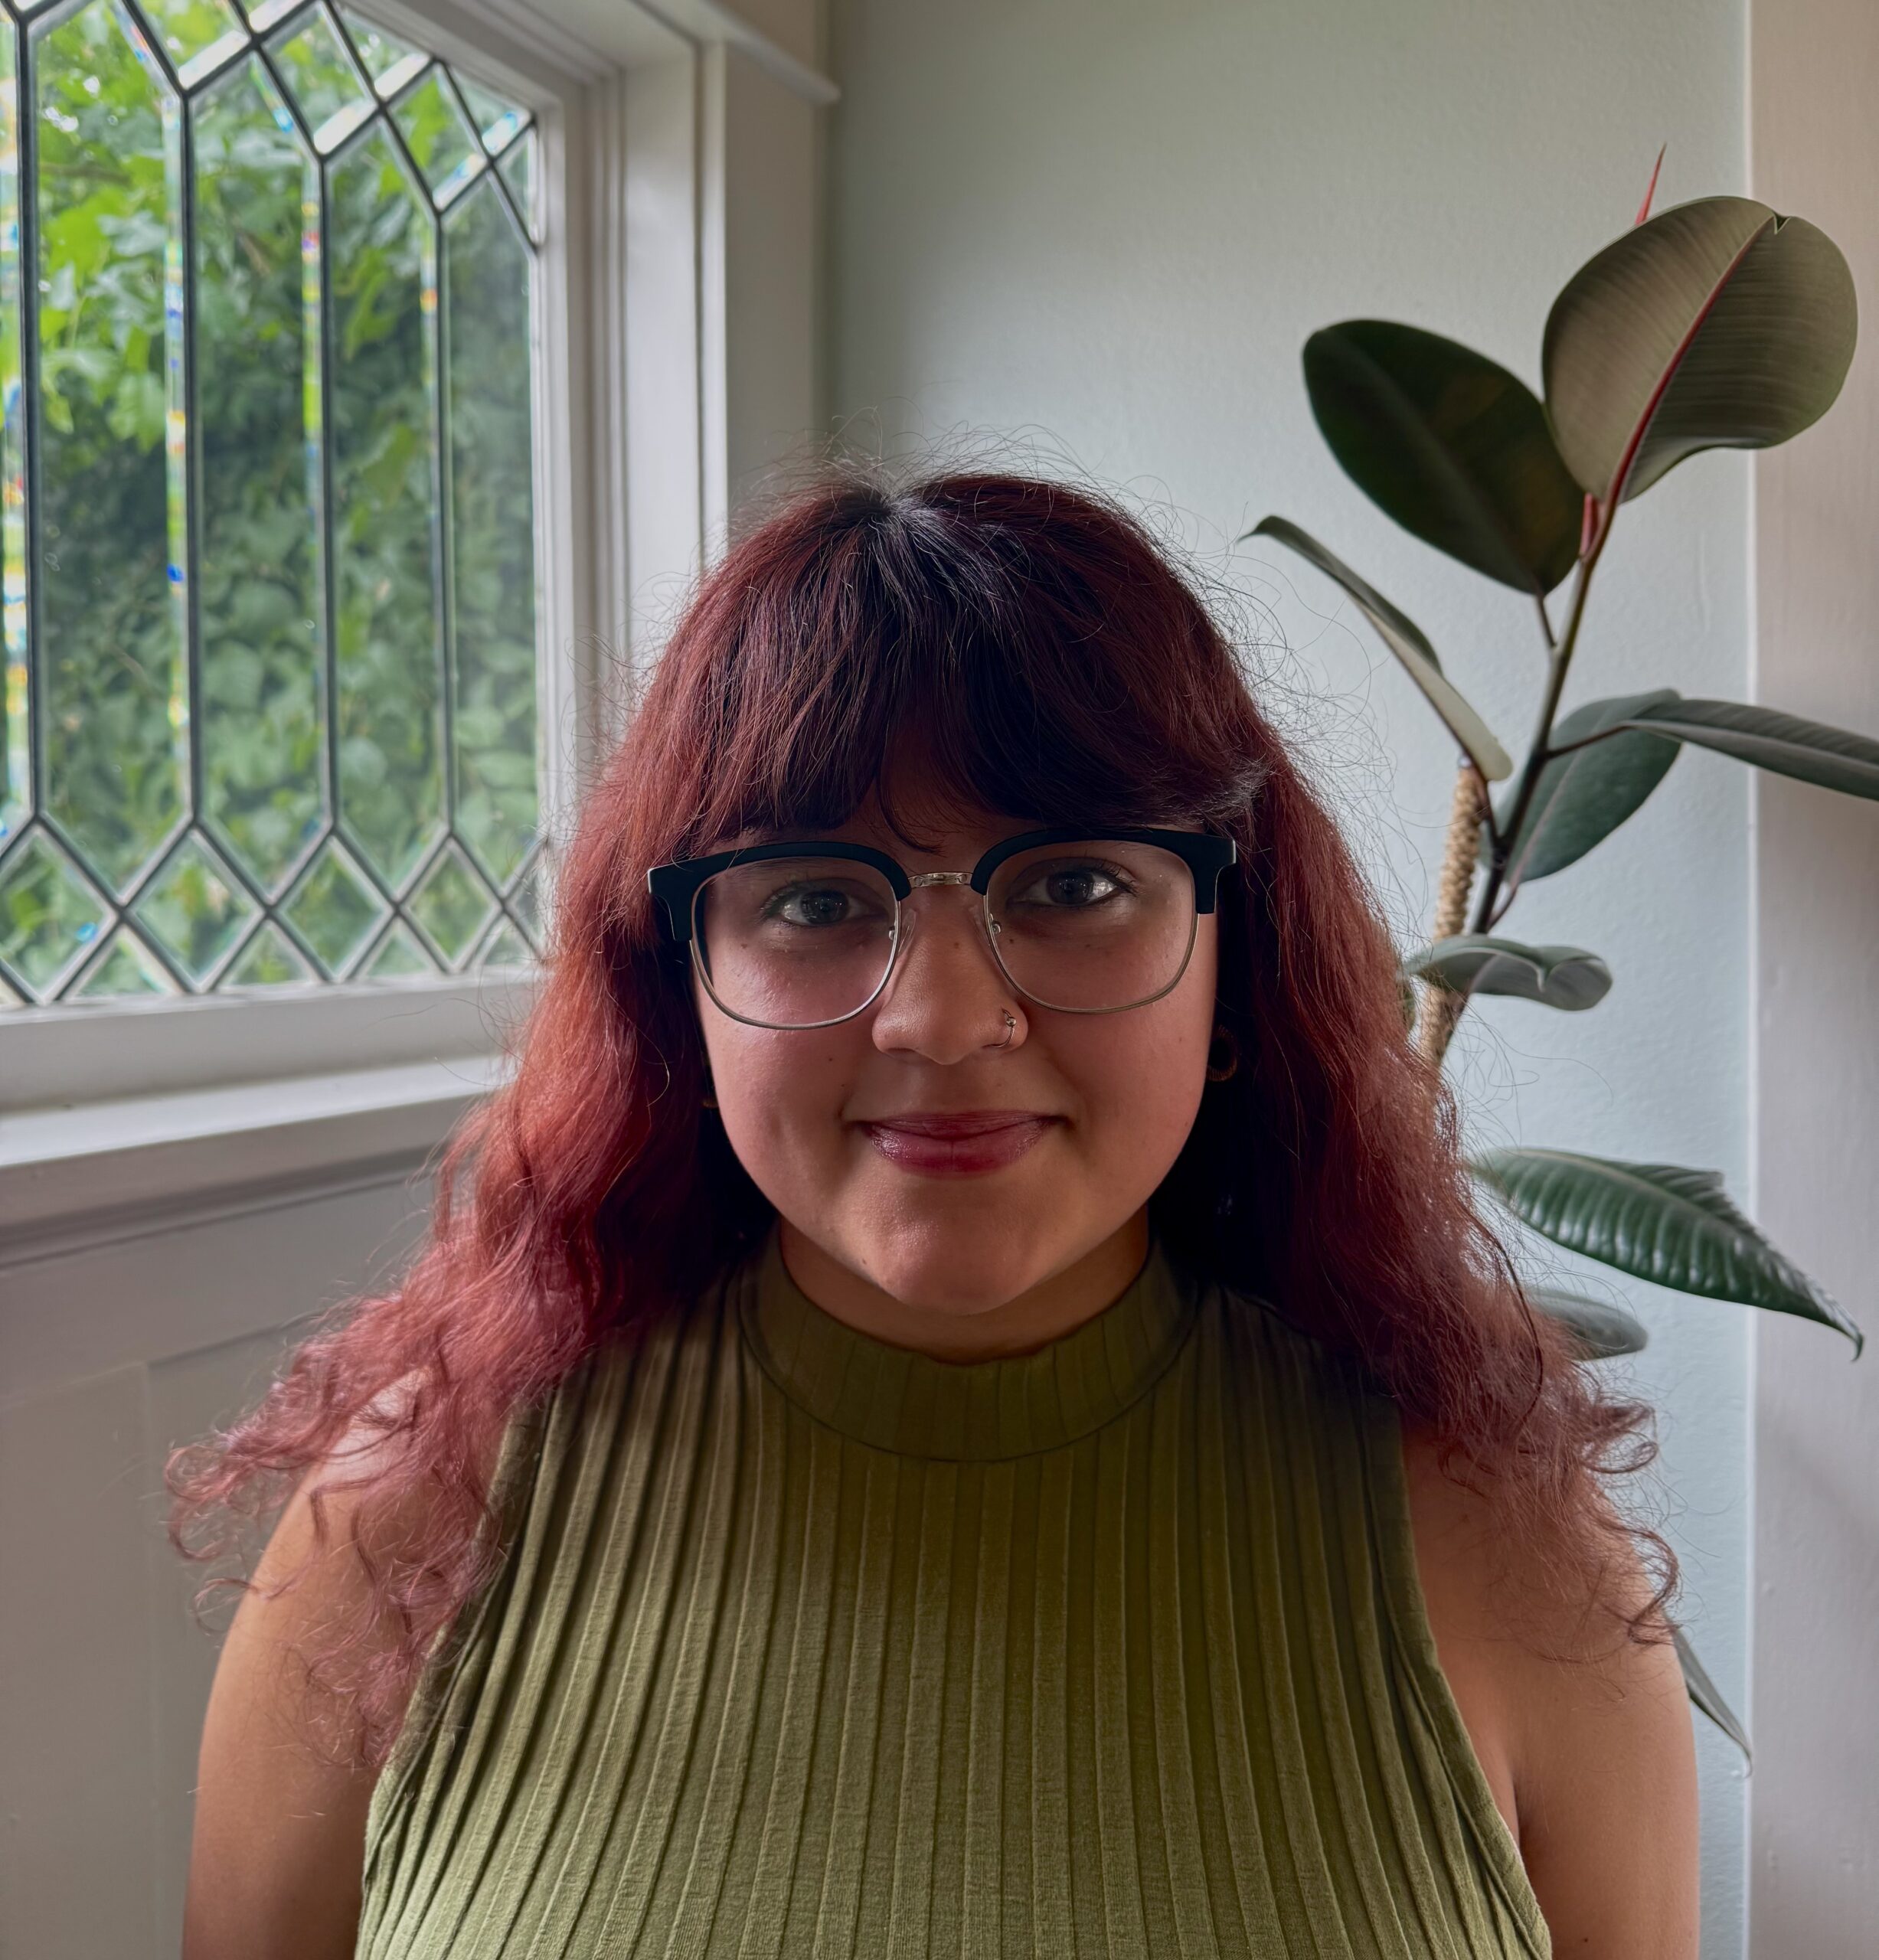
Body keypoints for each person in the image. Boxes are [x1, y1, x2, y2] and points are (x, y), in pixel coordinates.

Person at [175, 469, 1699, 1958]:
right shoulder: (402, 1524)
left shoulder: (1510, 1551)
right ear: (678, 984)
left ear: (1232, 960)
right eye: (817, 898)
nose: (945, 1017)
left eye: (1079, 884)